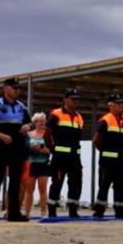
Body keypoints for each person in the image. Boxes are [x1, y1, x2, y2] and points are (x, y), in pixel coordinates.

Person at [0, 77, 32, 222]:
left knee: (15, 181)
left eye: (18, 88)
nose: (17, 91)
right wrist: (1, 136)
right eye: (14, 88)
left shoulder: (21, 107)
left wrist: (28, 126)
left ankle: (13, 213)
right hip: (0, 148)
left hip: (17, 149)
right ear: (5, 88)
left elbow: (30, 123)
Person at [93, 94, 123, 219]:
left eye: (122, 103)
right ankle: (99, 212)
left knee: (120, 187)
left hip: (121, 162)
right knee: (104, 187)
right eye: (118, 103)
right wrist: (106, 152)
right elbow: (96, 141)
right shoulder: (105, 120)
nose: (121, 105)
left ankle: (121, 211)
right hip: (107, 162)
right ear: (110, 105)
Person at [47, 89, 85, 219]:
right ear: (65, 100)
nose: (76, 101)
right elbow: (47, 133)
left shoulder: (79, 117)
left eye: (77, 99)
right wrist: (52, 149)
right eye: (73, 98)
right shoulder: (56, 114)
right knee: (57, 183)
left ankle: (73, 211)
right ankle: (52, 211)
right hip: (60, 157)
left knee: (76, 184)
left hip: (75, 157)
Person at [23, 113, 52, 218]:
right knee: (29, 189)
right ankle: (27, 212)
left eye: (44, 121)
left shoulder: (47, 135)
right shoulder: (29, 135)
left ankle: (44, 212)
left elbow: (52, 148)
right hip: (31, 164)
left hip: (43, 164)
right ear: (35, 123)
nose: (43, 123)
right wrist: (32, 148)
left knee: (43, 189)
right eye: (40, 121)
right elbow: (24, 148)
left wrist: (45, 150)